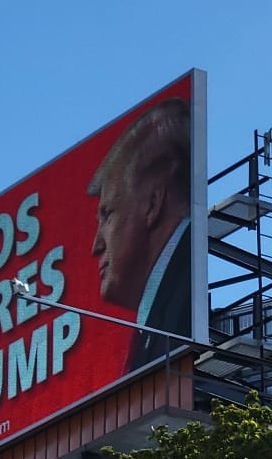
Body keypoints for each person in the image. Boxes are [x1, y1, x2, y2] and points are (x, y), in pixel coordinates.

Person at [88, 97, 192, 372]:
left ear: (153, 204)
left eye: (108, 214)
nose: (96, 245)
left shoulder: (183, 301)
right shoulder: (161, 308)